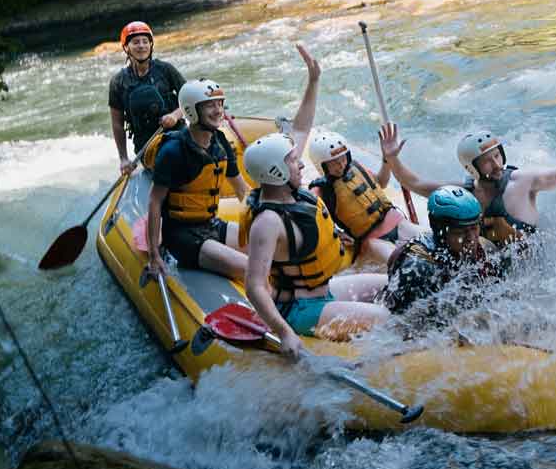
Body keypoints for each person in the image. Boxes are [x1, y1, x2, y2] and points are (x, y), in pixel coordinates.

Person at [241, 46, 390, 359]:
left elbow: (300, 127)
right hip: (300, 310)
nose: (300, 165)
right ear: (276, 171)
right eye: (293, 162)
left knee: (398, 281)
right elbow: (254, 286)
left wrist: (314, 80)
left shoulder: (292, 193)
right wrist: (283, 332)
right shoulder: (267, 222)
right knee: (392, 322)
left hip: (327, 289)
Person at [378, 123, 556, 247]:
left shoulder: (523, 183)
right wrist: (391, 157)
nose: (496, 164)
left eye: (497, 155)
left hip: (531, 267)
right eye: (486, 161)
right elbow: (413, 182)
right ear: (472, 168)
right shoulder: (464, 195)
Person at [146, 79, 249, 282]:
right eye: (210, 105)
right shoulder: (173, 151)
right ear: (191, 111)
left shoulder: (220, 142)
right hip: (182, 236)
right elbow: (154, 201)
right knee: (250, 268)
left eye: (220, 103)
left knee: (271, 250)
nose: (218, 110)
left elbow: (242, 191)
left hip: (211, 225)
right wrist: (153, 254)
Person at [378, 185, 497, 318]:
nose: (471, 239)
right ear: (440, 231)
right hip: (392, 306)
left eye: (474, 228)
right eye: (460, 232)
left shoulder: (485, 249)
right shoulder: (417, 269)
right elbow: (406, 325)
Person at [307, 130, 424, 265]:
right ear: (322, 165)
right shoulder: (320, 190)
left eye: (343, 158)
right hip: (371, 240)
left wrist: (387, 160)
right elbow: (313, 224)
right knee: (403, 263)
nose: (341, 164)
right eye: (334, 162)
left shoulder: (356, 168)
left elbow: (382, 182)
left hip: (395, 221)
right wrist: (338, 234)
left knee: (431, 238)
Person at [108, 20, 186, 175]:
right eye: (135, 42)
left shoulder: (166, 70)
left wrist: (175, 115)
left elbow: (189, 99)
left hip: (177, 133)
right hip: (147, 145)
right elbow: (117, 124)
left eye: (145, 41)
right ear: (126, 48)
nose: (141, 46)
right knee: (169, 158)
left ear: (151, 45)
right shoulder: (118, 82)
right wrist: (124, 158)